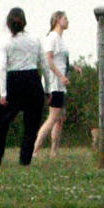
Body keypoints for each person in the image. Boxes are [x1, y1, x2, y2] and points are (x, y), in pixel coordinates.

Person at [0, 7, 44, 166]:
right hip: (32, 79)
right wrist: (47, 89)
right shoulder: (35, 39)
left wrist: (3, 92)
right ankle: (25, 160)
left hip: (13, 81)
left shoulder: (5, 42)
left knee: (2, 124)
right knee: (31, 125)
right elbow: (44, 64)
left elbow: (2, 67)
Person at [33, 10, 70, 157]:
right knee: (53, 117)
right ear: (58, 20)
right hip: (54, 84)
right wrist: (60, 76)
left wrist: (73, 68)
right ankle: (34, 149)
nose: (67, 21)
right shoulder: (52, 37)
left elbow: (60, 60)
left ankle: (53, 151)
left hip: (61, 84)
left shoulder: (61, 39)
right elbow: (48, 60)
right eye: (65, 18)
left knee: (60, 118)